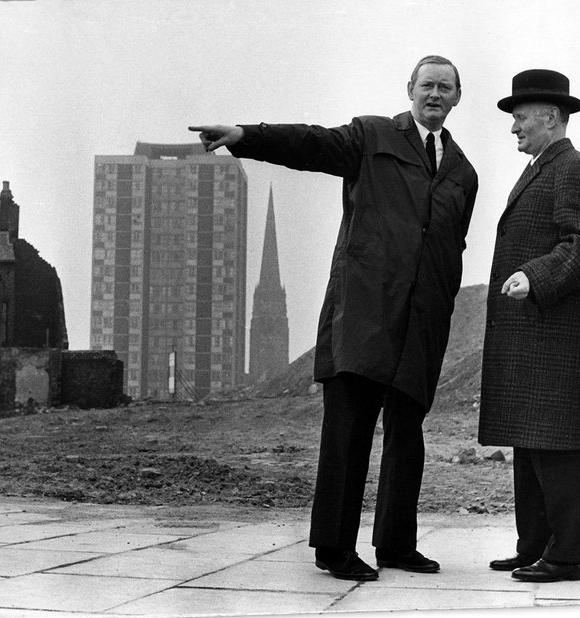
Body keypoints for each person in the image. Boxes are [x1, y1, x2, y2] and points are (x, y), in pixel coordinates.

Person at [189, 55, 478, 581]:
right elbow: (310, 144)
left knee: (407, 433)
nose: (434, 95)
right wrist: (244, 135)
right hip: (364, 312)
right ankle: (334, 549)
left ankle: (396, 545)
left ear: (457, 97)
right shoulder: (370, 137)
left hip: (421, 323)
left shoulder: (463, 171)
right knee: (348, 432)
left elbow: (451, 245)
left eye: (445, 87)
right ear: (409, 89)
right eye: (427, 85)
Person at [479, 69, 580, 583]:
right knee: (530, 441)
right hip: (535, 334)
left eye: (520, 118)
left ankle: (568, 554)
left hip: (554, 336)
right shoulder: (543, 167)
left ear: (551, 117)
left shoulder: (573, 169)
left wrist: (533, 276)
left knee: (556, 446)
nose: (514, 128)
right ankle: (534, 543)